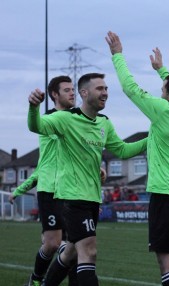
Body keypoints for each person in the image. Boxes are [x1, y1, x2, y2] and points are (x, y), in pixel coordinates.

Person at [27, 72, 148, 286]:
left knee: (70, 253)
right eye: (100, 89)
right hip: (72, 198)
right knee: (89, 251)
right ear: (84, 93)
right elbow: (36, 126)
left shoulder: (104, 123)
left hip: (92, 198)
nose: (105, 93)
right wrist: (34, 107)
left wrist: (152, 138)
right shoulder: (66, 119)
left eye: (106, 88)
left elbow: (122, 150)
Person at [106, 31, 169, 286]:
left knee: (167, 260)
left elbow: (130, 88)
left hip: (167, 195)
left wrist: (117, 55)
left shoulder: (163, 111)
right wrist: (162, 70)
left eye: (163, 89)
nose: (160, 92)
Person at [8, 76, 77, 286]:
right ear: (54, 95)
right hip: (51, 192)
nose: (72, 93)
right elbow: (42, 168)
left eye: (73, 89)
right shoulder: (48, 120)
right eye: (67, 90)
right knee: (53, 245)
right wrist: (19, 189)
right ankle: (36, 279)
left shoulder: (78, 120)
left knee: (77, 247)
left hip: (74, 192)